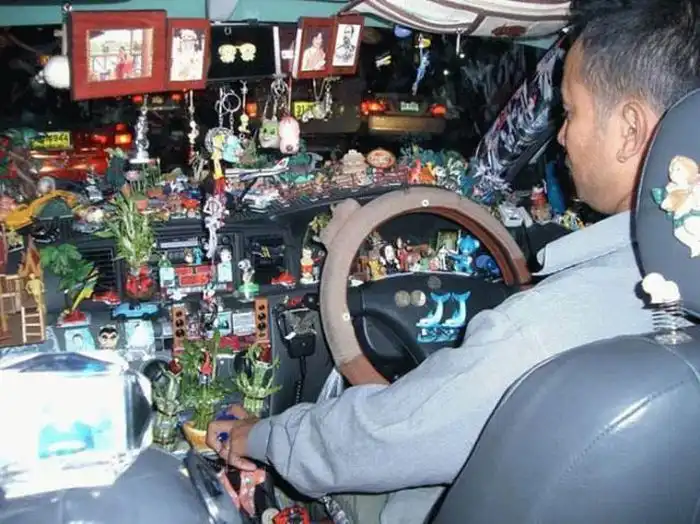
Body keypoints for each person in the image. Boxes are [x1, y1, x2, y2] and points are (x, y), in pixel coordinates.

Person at [207, 0, 700, 522]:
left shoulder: (536, 331)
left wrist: (260, 436)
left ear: (629, 131)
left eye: (571, 112)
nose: (559, 136)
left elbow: (384, 436)